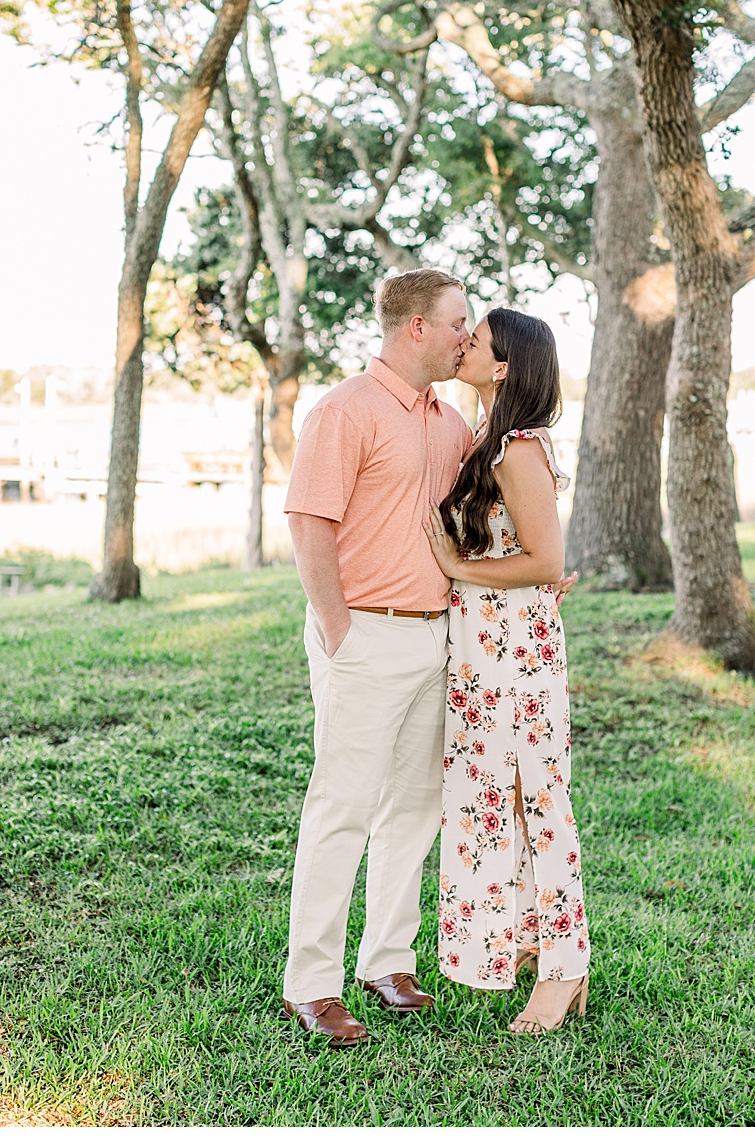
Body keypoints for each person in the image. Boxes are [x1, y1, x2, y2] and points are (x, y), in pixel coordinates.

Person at [278, 269, 473, 1048]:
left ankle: (388, 961)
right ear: (416, 327)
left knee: (414, 807)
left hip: (438, 637)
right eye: (459, 321)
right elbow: (308, 524)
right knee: (342, 809)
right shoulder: (343, 410)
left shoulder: (451, 423)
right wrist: (336, 627)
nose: (469, 334)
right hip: (362, 634)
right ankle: (311, 985)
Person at [424, 308, 590, 1034]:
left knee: (537, 801)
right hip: (487, 652)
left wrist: (459, 566)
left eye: (478, 340)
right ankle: (524, 938)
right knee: (500, 796)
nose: (463, 343)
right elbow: (530, 552)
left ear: (503, 368)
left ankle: (564, 967)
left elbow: (546, 561)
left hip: (515, 653)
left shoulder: (517, 448)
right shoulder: (486, 439)